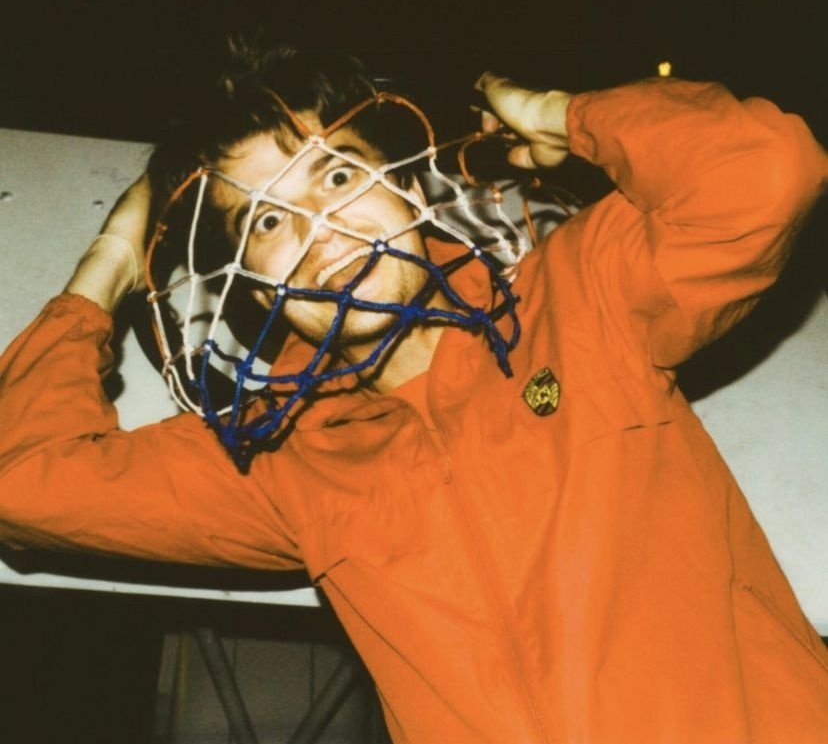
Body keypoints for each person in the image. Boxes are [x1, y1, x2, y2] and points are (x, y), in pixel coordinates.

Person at [0, 43, 826, 744]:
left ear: (408, 189)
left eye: (335, 175)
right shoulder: (280, 460)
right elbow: (24, 479)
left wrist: (560, 114)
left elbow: (769, 169)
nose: (320, 228)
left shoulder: (577, 299)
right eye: (267, 222)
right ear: (250, 286)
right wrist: (108, 263)